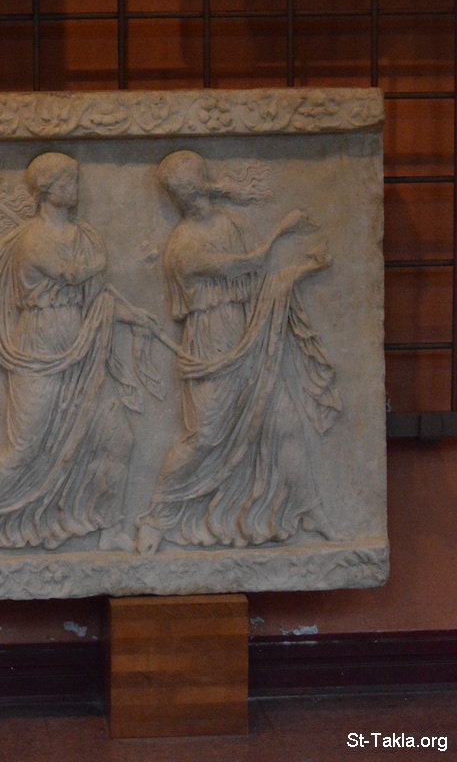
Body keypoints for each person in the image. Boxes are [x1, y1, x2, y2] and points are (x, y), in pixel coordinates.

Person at [136, 150, 341, 554]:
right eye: (180, 192)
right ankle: (157, 519)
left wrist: (306, 269)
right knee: (204, 437)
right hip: (210, 342)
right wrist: (283, 228)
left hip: (249, 331)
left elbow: (262, 283)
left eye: (188, 188)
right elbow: (248, 263)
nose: (186, 198)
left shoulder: (236, 223)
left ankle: (310, 508)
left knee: (282, 420)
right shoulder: (182, 245)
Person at [0, 153, 162, 556]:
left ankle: (108, 526)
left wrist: (133, 316)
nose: (76, 187)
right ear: (46, 190)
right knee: (27, 447)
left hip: (82, 349)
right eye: (68, 181)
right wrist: (101, 262)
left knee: (117, 438)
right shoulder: (34, 240)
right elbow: (72, 274)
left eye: (76, 179)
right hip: (40, 348)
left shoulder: (83, 237)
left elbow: (95, 299)